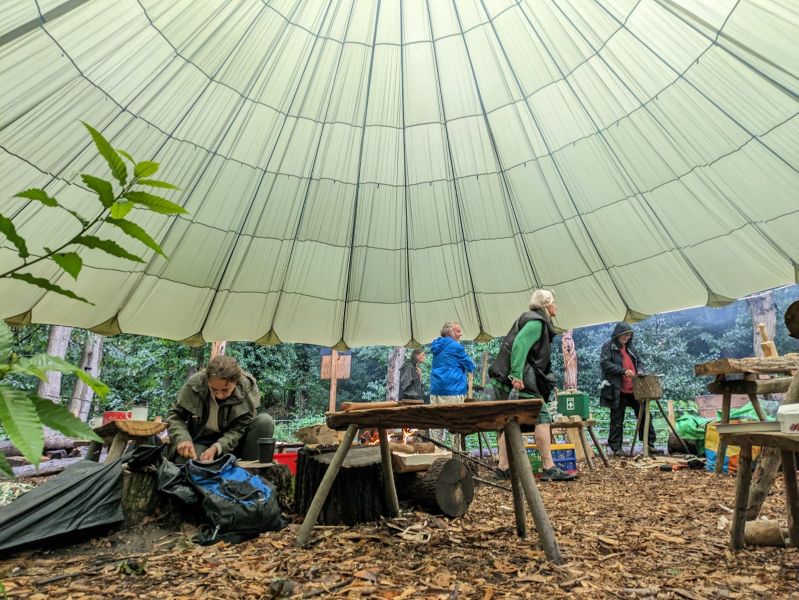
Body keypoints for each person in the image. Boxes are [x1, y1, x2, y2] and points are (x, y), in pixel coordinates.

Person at [489, 289, 576, 481]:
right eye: (553, 302)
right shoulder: (537, 322)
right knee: (542, 415)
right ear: (545, 304)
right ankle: (549, 467)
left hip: (505, 380)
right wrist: (516, 375)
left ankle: (503, 468)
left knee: (511, 421)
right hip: (518, 381)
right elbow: (519, 344)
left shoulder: (532, 320)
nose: (556, 306)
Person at [166, 355, 274, 463]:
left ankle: (250, 472)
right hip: (202, 441)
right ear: (207, 381)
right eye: (213, 389)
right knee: (187, 463)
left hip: (237, 441)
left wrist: (217, 447)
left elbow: (240, 427)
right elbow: (175, 415)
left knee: (265, 421)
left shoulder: (246, 386)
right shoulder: (195, 384)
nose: (219, 395)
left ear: (235, 383)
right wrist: (182, 438)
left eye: (225, 390)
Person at [599, 322, 656, 456]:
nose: (627, 337)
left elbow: (640, 362)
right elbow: (605, 363)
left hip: (635, 389)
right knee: (617, 420)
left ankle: (650, 444)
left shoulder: (631, 348)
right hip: (617, 389)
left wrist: (640, 371)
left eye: (629, 335)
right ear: (617, 334)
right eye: (624, 335)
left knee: (645, 416)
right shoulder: (608, 346)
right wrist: (623, 371)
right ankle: (616, 448)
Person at [429, 321, 476, 449]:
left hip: (436, 391)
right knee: (455, 425)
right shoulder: (456, 347)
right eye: (458, 331)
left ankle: (437, 454)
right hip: (453, 391)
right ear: (450, 333)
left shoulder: (436, 346)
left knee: (436, 426)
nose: (460, 334)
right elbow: (470, 366)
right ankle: (456, 455)